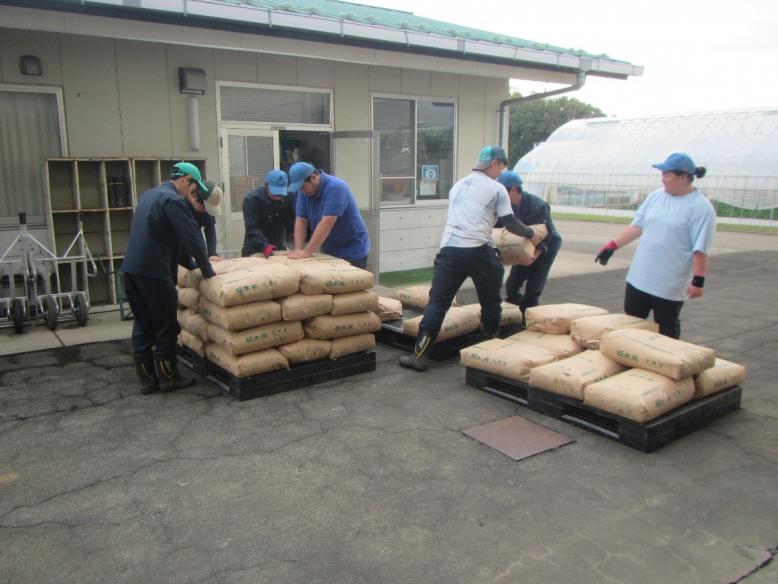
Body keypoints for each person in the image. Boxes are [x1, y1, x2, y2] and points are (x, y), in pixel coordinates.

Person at [399, 146, 544, 371]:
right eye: (501, 168)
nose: (501, 174)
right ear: (495, 163)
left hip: (449, 251)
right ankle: (488, 349)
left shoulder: (457, 185)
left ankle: (418, 356)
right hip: (479, 251)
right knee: (490, 301)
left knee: (437, 303)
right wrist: (531, 234)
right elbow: (510, 222)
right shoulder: (496, 189)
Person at [594, 152, 715, 339]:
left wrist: (698, 281)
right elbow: (637, 226)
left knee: (665, 330)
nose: (663, 180)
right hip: (639, 278)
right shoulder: (656, 197)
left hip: (668, 284)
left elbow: (700, 247)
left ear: (684, 177)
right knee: (631, 326)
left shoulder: (700, 207)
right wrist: (612, 245)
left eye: (667, 175)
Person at [121, 162, 216, 393]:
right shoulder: (174, 201)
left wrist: (191, 265)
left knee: (143, 323)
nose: (192, 192)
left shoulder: (149, 195)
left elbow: (172, 240)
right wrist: (208, 272)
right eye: (193, 187)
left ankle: (147, 380)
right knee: (166, 325)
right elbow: (193, 240)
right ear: (185, 180)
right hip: (154, 273)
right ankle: (170, 378)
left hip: (131, 270)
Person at [496, 170, 562, 314]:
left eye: (502, 191)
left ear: (513, 189)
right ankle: (523, 311)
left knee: (533, 289)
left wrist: (534, 256)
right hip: (524, 246)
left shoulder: (537, 206)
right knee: (512, 287)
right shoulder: (506, 207)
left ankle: (530, 318)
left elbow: (547, 235)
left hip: (546, 246)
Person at [286, 162, 370, 269]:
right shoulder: (304, 192)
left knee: (346, 284)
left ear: (313, 178)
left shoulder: (336, 187)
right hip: (329, 249)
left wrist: (307, 252)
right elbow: (301, 220)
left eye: (302, 187)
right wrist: (298, 249)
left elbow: (327, 223)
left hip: (352, 250)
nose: (302, 191)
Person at [241, 170, 294, 258]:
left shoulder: (288, 197)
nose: (278, 196)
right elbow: (252, 227)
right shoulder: (252, 199)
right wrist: (264, 245)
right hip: (255, 247)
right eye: (275, 192)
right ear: (266, 185)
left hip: (278, 246)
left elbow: (295, 219)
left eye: (281, 193)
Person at [190, 180, 223, 261]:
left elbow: (210, 229)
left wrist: (212, 254)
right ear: (194, 197)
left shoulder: (206, 203)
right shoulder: (178, 205)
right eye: (205, 208)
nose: (206, 211)